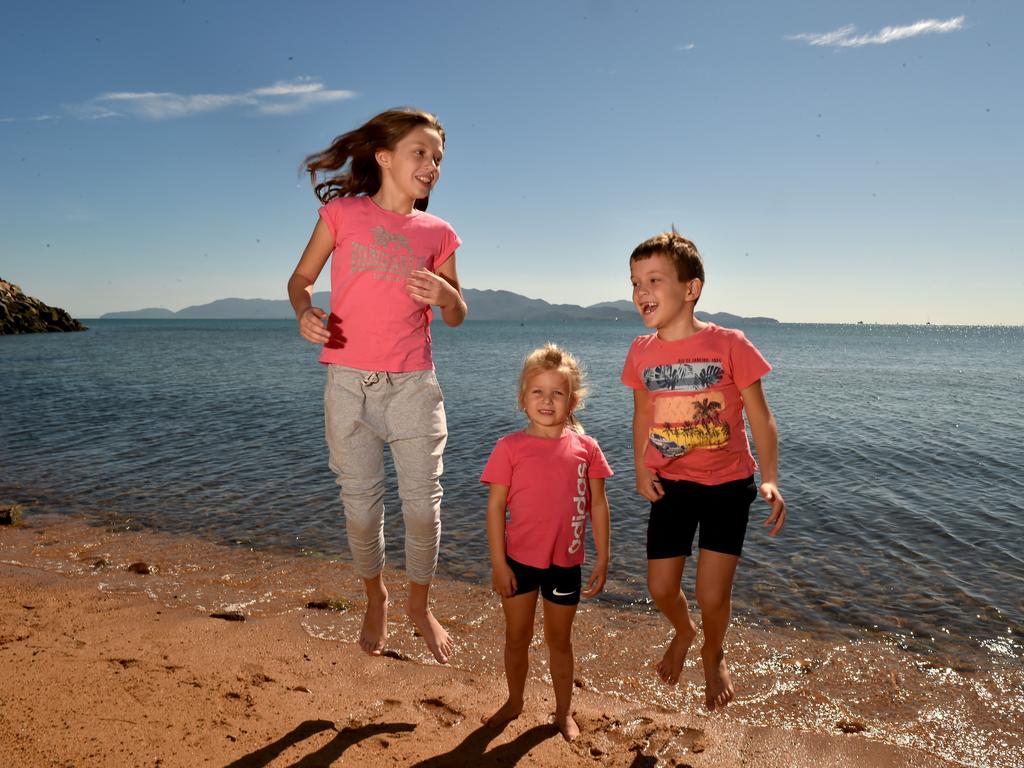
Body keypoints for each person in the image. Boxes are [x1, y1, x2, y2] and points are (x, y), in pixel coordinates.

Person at [287, 107, 466, 664]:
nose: (431, 165)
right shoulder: (342, 215)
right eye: (420, 152)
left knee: (422, 509)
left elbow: (458, 312)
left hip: (415, 387)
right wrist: (303, 311)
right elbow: (301, 277)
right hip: (348, 386)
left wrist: (445, 297)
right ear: (384, 157)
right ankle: (376, 596)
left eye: (438, 157)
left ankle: (419, 603)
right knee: (361, 509)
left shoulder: (438, 233)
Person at [621, 229, 785, 711]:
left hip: (727, 487)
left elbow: (761, 417)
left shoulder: (730, 344)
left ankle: (714, 653)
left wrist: (770, 476)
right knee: (660, 588)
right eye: (635, 282)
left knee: (712, 595)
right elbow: (642, 415)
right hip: (671, 485)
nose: (641, 292)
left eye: (654, 280)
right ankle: (684, 631)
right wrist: (639, 465)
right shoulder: (641, 351)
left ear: (690, 289)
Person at [480, 344, 612, 742]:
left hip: (565, 565)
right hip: (518, 562)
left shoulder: (586, 449)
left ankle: (561, 712)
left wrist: (604, 557)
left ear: (573, 400)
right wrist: (499, 564)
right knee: (516, 638)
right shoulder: (510, 447)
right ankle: (515, 701)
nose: (547, 400)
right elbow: (495, 509)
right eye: (538, 391)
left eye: (557, 392)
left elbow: (599, 505)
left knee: (560, 642)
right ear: (523, 398)